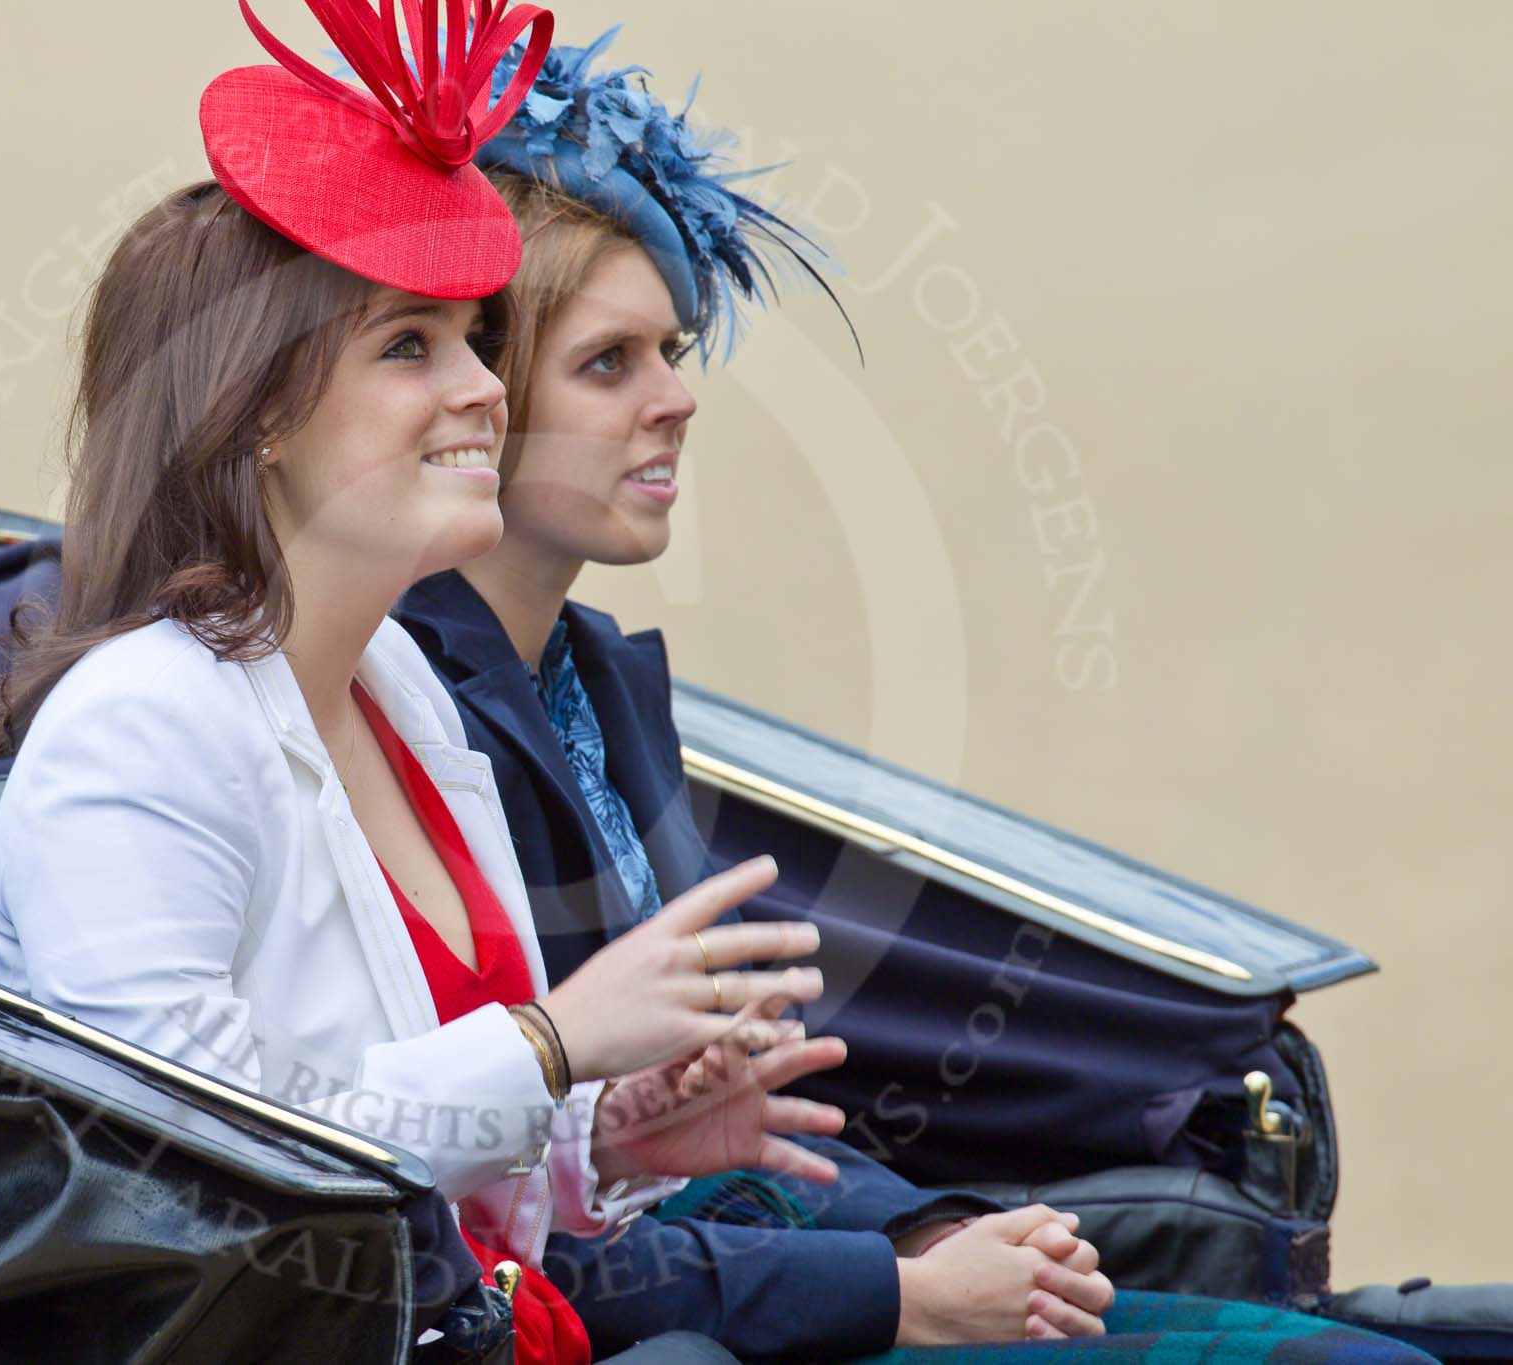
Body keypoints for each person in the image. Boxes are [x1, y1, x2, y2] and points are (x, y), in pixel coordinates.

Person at [395, 24, 1436, 1365]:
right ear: (484, 395)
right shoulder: (406, 710)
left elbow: (737, 1123)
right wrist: (902, 1288)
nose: (681, 399)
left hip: (763, 1257)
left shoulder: (601, 675)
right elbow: (531, 1227)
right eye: (613, 363)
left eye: (675, 349)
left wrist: (930, 1229)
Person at [0, 5, 900, 1362]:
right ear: (260, 410)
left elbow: (445, 1149)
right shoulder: (138, 730)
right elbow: (192, 1159)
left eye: (472, 340)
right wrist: (557, 1042)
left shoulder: (396, 681)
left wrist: (608, 1134)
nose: (480, 390)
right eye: (410, 347)